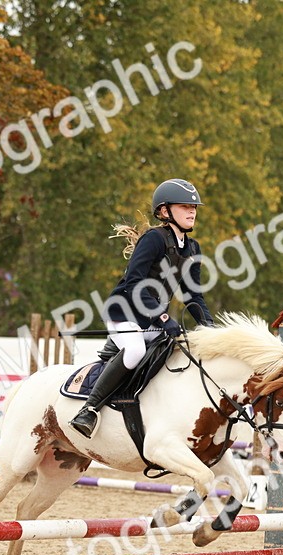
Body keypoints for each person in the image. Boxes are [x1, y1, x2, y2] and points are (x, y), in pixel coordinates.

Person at [69, 178, 216, 438]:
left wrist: (211, 328)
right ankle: (89, 409)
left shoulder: (193, 248)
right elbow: (134, 283)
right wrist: (162, 317)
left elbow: (193, 294)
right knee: (136, 349)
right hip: (123, 313)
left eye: (194, 207)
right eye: (184, 206)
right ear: (164, 211)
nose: (192, 211)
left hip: (151, 321)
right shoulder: (153, 239)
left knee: (179, 353)